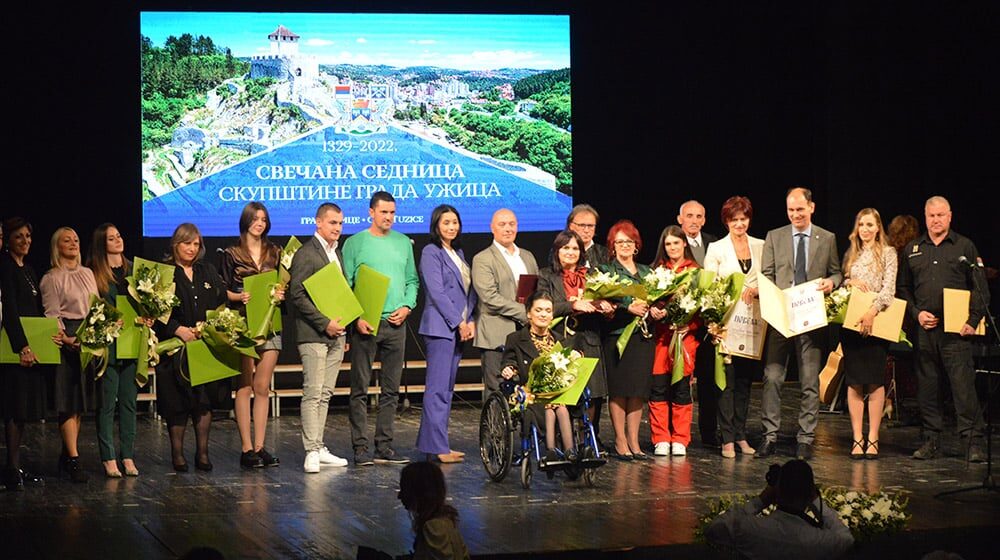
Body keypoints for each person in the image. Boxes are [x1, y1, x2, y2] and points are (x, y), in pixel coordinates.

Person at [898, 196, 988, 462]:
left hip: (957, 331)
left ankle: (972, 442)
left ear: (950, 216)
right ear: (925, 217)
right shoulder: (913, 248)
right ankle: (931, 440)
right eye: (931, 216)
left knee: (963, 387)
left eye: (940, 215)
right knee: (927, 387)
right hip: (925, 330)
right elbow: (902, 288)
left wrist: (972, 321)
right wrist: (916, 314)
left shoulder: (964, 246)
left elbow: (980, 288)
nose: (936, 220)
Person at [757, 187, 842, 460]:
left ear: (811, 208)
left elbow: (837, 272)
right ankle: (769, 436)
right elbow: (767, 275)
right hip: (781, 317)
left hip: (811, 317)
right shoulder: (775, 236)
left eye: (800, 210)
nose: (795, 215)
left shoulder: (826, 238)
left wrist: (831, 282)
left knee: (809, 381)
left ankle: (805, 438)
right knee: (772, 377)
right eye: (791, 210)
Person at [343, 191, 419, 466]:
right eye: (383, 212)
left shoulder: (403, 243)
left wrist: (408, 306)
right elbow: (346, 285)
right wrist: (356, 318)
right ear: (371, 212)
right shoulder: (355, 243)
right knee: (360, 388)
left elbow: (412, 280)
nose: (388, 217)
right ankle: (360, 447)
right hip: (367, 323)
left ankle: (384, 446)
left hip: (396, 324)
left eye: (392, 213)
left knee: (391, 389)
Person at [155, 223, 230, 472]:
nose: (192, 248)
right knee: (176, 403)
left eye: (196, 244)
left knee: (203, 401)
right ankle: (177, 455)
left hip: (203, 346)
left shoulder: (206, 270)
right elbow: (155, 312)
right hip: (175, 347)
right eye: (187, 243)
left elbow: (219, 303)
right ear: (176, 244)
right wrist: (178, 329)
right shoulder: (165, 273)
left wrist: (207, 328)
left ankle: (203, 454)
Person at [220, 202, 284, 469]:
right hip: (243, 324)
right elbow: (222, 289)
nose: (260, 223)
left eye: (264, 219)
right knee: (244, 386)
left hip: (270, 323)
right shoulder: (232, 253)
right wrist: (238, 296)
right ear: (246, 221)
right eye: (255, 218)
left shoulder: (275, 251)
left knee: (262, 387)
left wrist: (281, 293)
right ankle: (246, 448)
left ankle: (260, 446)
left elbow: (282, 283)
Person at [289, 203, 350, 473]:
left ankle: (319, 445)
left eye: (340, 223)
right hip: (314, 333)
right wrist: (325, 323)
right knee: (313, 392)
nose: (337, 228)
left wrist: (342, 325)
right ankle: (311, 451)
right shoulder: (306, 253)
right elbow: (297, 295)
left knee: (325, 394)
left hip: (337, 334)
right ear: (318, 223)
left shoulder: (336, 253)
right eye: (332, 223)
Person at [537, 229, 610, 447]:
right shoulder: (546, 275)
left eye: (575, 248)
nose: (571, 252)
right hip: (562, 341)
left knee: (593, 394)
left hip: (589, 339)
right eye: (566, 247)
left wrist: (606, 307)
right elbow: (545, 306)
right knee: (565, 394)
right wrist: (572, 305)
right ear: (557, 251)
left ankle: (589, 438)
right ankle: (564, 440)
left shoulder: (591, 275)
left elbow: (602, 301)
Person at [416, 205, 477, 464]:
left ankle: (436, 443)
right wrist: (458, 322)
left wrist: (471, 319)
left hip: (458, 327)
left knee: (447, 389)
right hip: (441, 329)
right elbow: (437, 293)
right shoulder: (432, 252)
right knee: (437, 390)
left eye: (455, 222)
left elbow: (469, 292)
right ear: (436, 226)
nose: (451, 227)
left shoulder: (458, 253)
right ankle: (437, 447)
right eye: (446, 222)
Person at [703, 196, 763, 458]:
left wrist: (759, 288)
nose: (739, 224)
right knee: (725, 383)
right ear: (726, 221)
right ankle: (726, 437)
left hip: (754, 324)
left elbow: (768, 277)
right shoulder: (716, 248)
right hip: (726, 324)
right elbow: (709, 285)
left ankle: (740, 435)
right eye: (734, 219)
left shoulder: (761, 245)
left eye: (743, 218)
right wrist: (714, 321)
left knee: (744, 382)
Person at [40, 226, 99, 483]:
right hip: (66, 337)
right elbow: (51, 313)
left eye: (76, 239)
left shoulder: (88, 273)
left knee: (80, 403)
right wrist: (66, 338)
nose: (73, 243)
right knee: (68, 402)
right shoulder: (51, 278)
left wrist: (95, 334)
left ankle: (66, 456)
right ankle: (74, 459)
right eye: (67, 240)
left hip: (87, 336)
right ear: (57, 246)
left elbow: (96, 307)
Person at [705, 459, 854, 560]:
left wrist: (761, 501)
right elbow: (847, 541)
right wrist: (815, 500)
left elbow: (715, 528)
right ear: (809, 494)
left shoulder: (750, 529)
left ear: (778, 491)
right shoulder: (820, 541)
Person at [839, 208, 897, 460]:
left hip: (877, 323)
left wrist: (872, 312)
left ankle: (872, 437)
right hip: (852, 325)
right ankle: (856, 437)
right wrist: (849, 282)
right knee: (854, 382)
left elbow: (889, 289)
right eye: (861, 224)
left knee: (874, 381)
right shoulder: (852, 253)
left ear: (878, 227)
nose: (865, 229)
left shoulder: (888, 253)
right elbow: (843, 283)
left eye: (870, 224)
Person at [88, 223, 142, 477]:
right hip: (108, 345)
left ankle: (128, 456)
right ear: (102, 244)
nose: (118, 240)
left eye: (119, 236)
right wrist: (109, 319)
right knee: (108, 404)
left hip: (132, 343)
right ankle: (109, 457)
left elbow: (146, 306)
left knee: (129, 403)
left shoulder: (135, 270)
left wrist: (147, 318)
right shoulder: (94, 273)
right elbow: (91, 310)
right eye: (111, 239)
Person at [500, 291, 576, 466]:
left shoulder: (560, 340)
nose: (544, 314)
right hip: (530, 392)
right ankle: (550, 451)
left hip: (557, 392)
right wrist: (509, 369)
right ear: (529, 314)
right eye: (539, 310)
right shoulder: (516, 339)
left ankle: (570, 451)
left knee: (563, 406)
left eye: (548, 311)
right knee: (549, 408)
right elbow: (509, 360)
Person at [599, 220, 654, 460]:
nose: (624, 246)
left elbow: (658, 298)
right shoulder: (606, 271)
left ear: (636, 245)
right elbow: (603, 296)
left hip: (642, 337)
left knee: (637, 391)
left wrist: (656, 309)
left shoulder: (647, 272)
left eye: (628, 241)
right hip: (617, 337)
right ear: (612, 246)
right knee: (620, 390)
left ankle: (634, 440)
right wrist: (627, 306)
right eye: (619, 242)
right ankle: (620, 440)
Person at [471, 208, 539, 400]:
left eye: (512, 224)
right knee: (497, 389)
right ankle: (495, 431)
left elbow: (536, 290)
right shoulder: (483, 258)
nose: (508, 229)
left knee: (527, 388)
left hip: (526, 333)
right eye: (502, 224)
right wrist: (525, 312)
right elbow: (489, 298)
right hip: (496, 333)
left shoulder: (527, 256)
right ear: (492, 228)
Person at [0, 217, 47, 490]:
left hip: (32, 346)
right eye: (19, 237)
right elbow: (10, 310)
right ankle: (11, 468)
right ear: (8, 239)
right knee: (13, 408)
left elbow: (36, 310)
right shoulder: (5, 265)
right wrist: (22, 346)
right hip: (14, 348)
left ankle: (15, 466)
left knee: (23, 411)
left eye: (28, 236)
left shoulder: (29, 269)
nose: (25, 241)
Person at [648, 225, 700, 456]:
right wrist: (654, 310)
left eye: (676, 243)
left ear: (684, 244)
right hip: (661, 338)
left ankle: (680, 438)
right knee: (658, 388)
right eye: (668, 244)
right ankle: (661, 438)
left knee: (681, 389)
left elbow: (704, 307)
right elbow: (649, 300)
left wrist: (690, 325)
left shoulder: (696, 272)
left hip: (685, 339)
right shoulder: (658, 271)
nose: (672, 248)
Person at [678, 200, 721, 447]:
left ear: (704, 220)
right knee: (682, 380)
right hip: (683, 323)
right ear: (680, 218)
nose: (694, 221)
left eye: (699, 216)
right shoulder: (673, 242)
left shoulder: (714, 243)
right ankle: (678, 435)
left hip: (709, 324)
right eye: (689, 216)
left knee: (709, 379)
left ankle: (708, 432)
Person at [397, 461, 471, 560]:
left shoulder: (434, 527)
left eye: (404, 489)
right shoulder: (447, 522)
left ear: (419, 493)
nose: (399, 496)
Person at [566, 203, 609, 269]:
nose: (586, 230)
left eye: (590, 226)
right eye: (582, 225)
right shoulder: (561, 251)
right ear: (571, 226)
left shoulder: (604, 253)